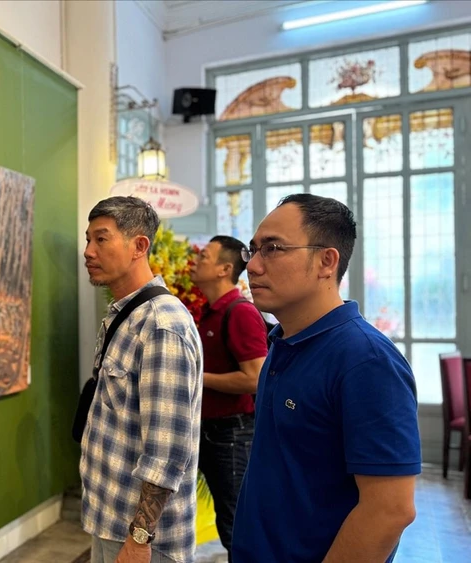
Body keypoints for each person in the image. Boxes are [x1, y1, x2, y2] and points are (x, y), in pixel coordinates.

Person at [231, 194, 419, 562]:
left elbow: (390, 510)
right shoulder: (282, 343)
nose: (252, 266)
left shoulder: (365, 360)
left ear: (325, 261)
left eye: (272, 249)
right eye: (252, 251)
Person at [80, 196, 203, 563]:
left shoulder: (162, 325)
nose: (88, 251)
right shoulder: (125, 315)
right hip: (110, 521)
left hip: (145, 542)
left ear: (139, 246)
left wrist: (139, 538)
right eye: (88, 239)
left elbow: (166, 451)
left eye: (101, 239)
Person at [189, 235, 269, 561]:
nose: (195, 261)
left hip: (231, 434)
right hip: (209, 431)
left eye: (204, 257)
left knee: (237, 523)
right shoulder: (210, 312)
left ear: (224, 268)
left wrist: (195, 377)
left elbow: (255, 377)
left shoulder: (240, 312)